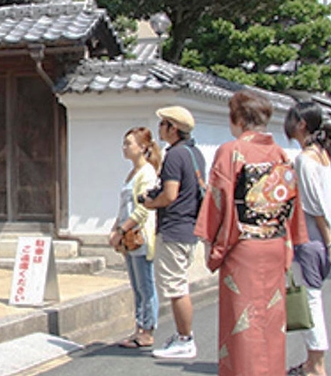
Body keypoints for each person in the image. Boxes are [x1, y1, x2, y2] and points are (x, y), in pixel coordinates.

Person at [194, 90, 308, 376]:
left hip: (243, 247)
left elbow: (219, 198)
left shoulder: (231, 151)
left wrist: (210, 241)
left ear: (238, 119)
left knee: (242, 322)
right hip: (273, 243)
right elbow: (289, 203)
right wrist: (289, 240)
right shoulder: (280, 153)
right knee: (269, 322)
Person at [284, 102, 331, 376]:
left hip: (310, 239)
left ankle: (316, 364)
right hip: (322, 239)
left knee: (309, 303)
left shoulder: (304, 160)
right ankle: (312, 361)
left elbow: (314, 206)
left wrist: (330, 239)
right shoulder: (322, 156)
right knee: (311, 300)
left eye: (292, 119)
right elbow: (330, 201)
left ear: (302, 125)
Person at [139, 105, 205, 359]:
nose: (160, 129)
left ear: (173, 128)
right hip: (189, 227)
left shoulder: (175, 156)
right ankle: (182, 336)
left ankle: (185, 338)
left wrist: (149, 203)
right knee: (178, 285)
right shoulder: (194, 153)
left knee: (176, 288)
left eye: (163, 124)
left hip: (174, 228)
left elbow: (170, 194)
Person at [109, 127, 162, 348]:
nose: (125, 147)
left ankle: (147, 329)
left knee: (145, 284)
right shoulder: (133, 173)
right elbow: (124, 206)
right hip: (128, 235)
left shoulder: (147, 173)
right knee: (136, 284)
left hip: (139, 236)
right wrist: (115, 228)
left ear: (142, 148)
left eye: (129, 143)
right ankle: (139, 328)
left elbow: (143, 209)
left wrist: (122, 230)